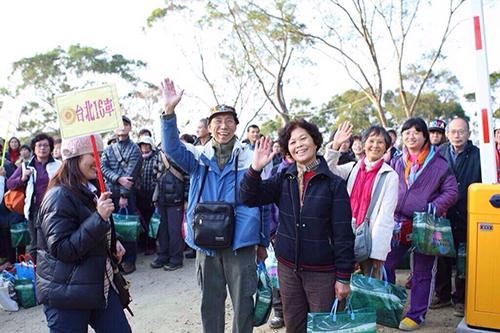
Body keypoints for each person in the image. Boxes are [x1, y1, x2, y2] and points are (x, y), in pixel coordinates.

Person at [160, 78, 268, 333]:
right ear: (209, 127)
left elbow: (260, 200)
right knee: (210, 302)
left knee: (243, 302)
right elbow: (171, 148)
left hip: (241, 240)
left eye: (229, 120)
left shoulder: (250, 157)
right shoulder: (198, 156)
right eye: (217, 121)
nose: (223, 126)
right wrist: (168, 112)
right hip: (206, 240)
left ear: (236, 125)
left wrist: (261, 240)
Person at [240, 118, 354, 333]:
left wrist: (343, 277)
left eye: (304, 138)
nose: (299, 145)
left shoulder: (333, 184)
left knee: (322, 327)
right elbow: (248, 197)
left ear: (315, 141)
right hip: (287, 267)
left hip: (321, 271)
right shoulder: (284, 176)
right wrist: (255, 168)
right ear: (288, 149)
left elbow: (343, 234)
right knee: (294, 325)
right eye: (293, 142)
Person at [36, 134, 131, 332]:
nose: (99, 160)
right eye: (93, 153)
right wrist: (98, 219)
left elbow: (94, 226)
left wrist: (113, 242)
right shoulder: (58, 196)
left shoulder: (91, 189)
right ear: (75, 157)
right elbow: (62, 249)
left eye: (101, 153)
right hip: (66, 294)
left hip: (99, 286)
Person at [384, 117, 458, 331]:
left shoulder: (439, 162)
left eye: (416, 132)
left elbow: (452, 192)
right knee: (386, 263)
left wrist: (431, 208)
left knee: (422, 271)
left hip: (425, 225)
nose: (411, 136)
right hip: (398, 223)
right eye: (406, 132)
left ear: (425, 136)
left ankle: (416, 315)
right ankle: (390, 306)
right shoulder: (397, 160)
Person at [325, 122, 399, 279]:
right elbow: (329, 170)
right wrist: (335, 146)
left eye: (380, 142)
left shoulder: (389, 175)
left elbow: (386, 215)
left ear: (386, 147)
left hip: (370, 241)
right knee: (343, 283)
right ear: (364, 144)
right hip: (346, 235)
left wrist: (377, 253)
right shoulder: (353, 167)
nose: (375, 145)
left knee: (367, 290)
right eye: (371, 141)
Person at [430, 117, 481, 317]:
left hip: (468, 213)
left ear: (468, 133)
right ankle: (442, 295)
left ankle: (460, 298)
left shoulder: (478, 154)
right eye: (453, 131)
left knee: (463, 258)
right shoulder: (439, 153)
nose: (457, 135)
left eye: (461, 131)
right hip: (444, 214)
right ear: (447, 133)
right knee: (442, 256)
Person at [6, 133, 62, 261]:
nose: (43, 148)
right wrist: (23, 177)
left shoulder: (58, 165)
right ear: (34, 148)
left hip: (54, 208)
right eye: (39, 145)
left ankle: (52, 271)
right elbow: (10, 184)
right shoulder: (25, 165)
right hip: (33, 209)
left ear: (50, 148)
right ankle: (34, 273)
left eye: (46, 145)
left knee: (52, 240)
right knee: (35, 244)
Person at [101, 115, 142, 275]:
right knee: (112, 227)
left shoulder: (135, 148)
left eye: (126, 124)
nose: (122, 127)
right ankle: (115, 259)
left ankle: (130, 260)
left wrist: (124, 194)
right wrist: (118, 178)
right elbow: (103, 167)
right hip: (110, 192)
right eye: (119, 124)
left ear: (130, 127)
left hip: (127, 195)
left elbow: (132, 172)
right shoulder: (109, 149)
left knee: (127, 227)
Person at [150, 147, 189, 270]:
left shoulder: (181, 151)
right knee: (162, 231)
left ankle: (176, 258)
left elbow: (188, 178)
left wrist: (186, 199)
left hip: (176, 200)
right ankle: (163, 256)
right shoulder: (159, 154)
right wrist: (155, 197)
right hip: (162, 199)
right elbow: (155, 176)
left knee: (174, 231)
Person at [136, 135, 159, 256]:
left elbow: (157, 178)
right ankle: (141, 244)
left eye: (147, 145)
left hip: (151, 193)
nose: (144, 148)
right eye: (142, 145)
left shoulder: (156, 158)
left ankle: (151, 245)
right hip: (139, 193)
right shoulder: (138, 158)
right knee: (141, 220)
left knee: (151, 221)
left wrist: (155, 196)